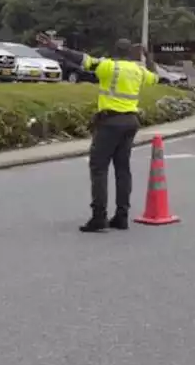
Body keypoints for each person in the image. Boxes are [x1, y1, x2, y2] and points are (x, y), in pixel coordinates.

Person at [35, 33, 159, 232]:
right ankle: (121, 216)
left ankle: (99, 217)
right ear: (131, 53)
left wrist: (56, 48)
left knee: (99, 168)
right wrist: (148, 56)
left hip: (110, 122)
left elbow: (81, 59)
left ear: (115, 51)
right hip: (131, 122)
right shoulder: (139, 70)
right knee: (122, 170)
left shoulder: (108, 66)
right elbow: (156, 77)